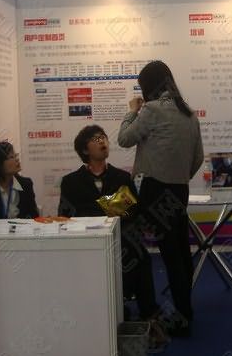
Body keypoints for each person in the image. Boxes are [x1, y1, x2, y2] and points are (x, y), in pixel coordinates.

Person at [118, 61, 204, 337]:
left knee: (164, 254)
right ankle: (185, 312)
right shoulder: (189, 113)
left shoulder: (151, 110)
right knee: (180, 253)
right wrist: (179, 177)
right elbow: (198, 158)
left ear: (148, 86)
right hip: (179, 190)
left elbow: (124, 139)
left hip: (154, 190)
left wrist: (132, 111)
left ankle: (167, 314)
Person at [58, 125, 163, 339]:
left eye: (104, 137)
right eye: (96, 139)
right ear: (85, 150)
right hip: (85, 242)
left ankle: (150, 316)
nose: (102, 142)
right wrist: (112, 205)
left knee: (140, 256)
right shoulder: (71, 181)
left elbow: (133, 211)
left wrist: (96, 208)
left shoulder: (122, 177)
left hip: (119, 239)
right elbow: (66, 215)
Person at [0, 142, 39, 219]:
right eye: (11, 157)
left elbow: (34, 215)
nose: (17, 159)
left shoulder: (26, 184)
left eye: (16, 155)